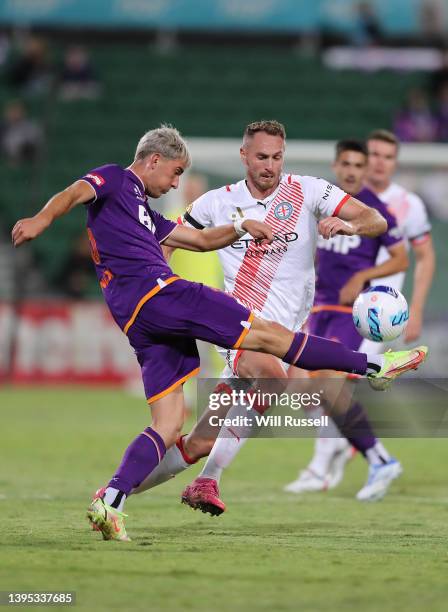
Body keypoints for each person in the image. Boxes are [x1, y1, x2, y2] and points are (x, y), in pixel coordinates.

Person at [12, 124, 427, 541]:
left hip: (139, 319)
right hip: (166, 296)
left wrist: (242, 227)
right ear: (154, 160)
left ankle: (112, 498)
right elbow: (75, 191)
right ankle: (375, 366)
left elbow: (202, 239)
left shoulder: (145, 213)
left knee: (173, 425)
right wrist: (41, 218)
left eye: (276, 157)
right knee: (270, 343)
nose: (177, 183)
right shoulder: (118, 178)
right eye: (174, 174)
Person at [131, 123, 424, 516]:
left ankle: (114, 495)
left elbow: (376, 219)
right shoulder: (216, 202)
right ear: (244, 156)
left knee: (199, 443)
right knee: (275, 377)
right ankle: (209, 481)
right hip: (240, 327)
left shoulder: (309, 191)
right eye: (261, 157)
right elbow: (166, 240)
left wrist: (349, 224)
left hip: (289, 335)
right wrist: (156, 292)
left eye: (277, 157)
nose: (270, 165)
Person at [291, 129, 436, 494]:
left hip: (348, 313)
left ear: (366, 167)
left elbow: (403, 258)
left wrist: (363, 276)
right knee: (301, 385)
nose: (353, 170)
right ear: (336, 166)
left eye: (360, 164)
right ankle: (353, 443)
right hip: (317, 307)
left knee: (327, 384)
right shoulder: (321, 201)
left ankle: (371, 459)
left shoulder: (373, 211)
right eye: (347, 164)